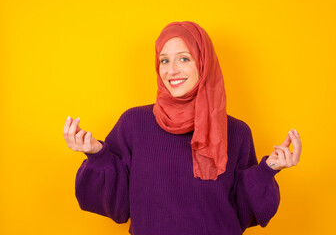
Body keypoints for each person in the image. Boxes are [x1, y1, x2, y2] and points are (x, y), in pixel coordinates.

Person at [63, 21, 302, 235]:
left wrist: (268, 169)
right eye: (164, 60)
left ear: (204, 63)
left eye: (184, 58)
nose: (171, 70)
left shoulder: (237, 132)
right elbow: (118, 205)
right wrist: (97, 154)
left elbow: (241, 214)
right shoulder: (134, 123)